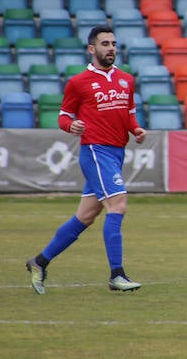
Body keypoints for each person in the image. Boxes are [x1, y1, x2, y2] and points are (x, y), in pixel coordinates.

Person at [26, 25, 146, 294]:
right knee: (118, 205)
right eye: (105, 44)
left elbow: (127, 112)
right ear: (92, 49)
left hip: (116, 152)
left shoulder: (126, 79)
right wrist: (72, 126)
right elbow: (63, 116)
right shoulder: (78, 82)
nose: (111, 48)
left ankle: (40, 261)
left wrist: (135, 128)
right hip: (95, 150)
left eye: (113, 43)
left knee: (87, 215)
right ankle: (117, 275)